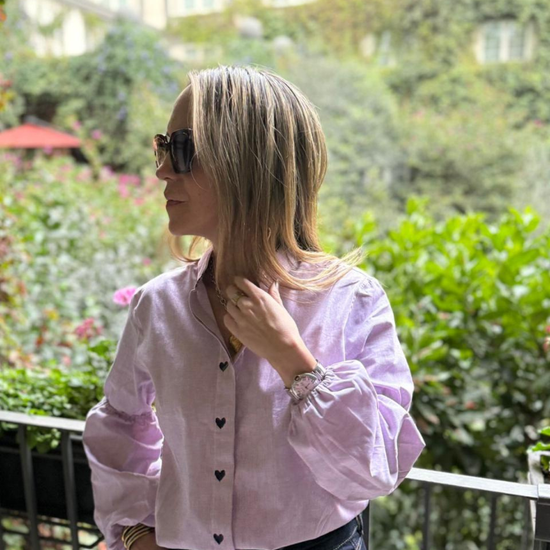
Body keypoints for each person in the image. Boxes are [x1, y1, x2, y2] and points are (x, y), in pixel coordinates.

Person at [82, 64, 426, 550]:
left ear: (245, 162)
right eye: (162, 147)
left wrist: (294, 362)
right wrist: (135, 530)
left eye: (182, 149)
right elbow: (120, 421)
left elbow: (372, 472)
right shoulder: (156, 306)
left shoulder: (352, 300)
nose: (161, 169)